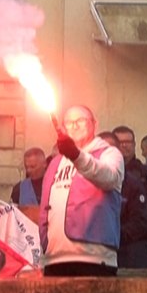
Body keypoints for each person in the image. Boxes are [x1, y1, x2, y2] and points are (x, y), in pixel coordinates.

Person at [38, 106, 123, 276]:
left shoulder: (109, 153)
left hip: (93, 257)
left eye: (80, 120)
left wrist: (77, 155)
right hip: (54, 258)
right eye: (69, 122)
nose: (74, 126)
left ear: (94, 124)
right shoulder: (55, 162)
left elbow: (109, 178)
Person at [99, 132, 147, 269]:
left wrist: (111, 235)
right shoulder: (84, 182)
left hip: (128, 254)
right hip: (96, 255)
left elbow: (140, 223)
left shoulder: (132, 183)